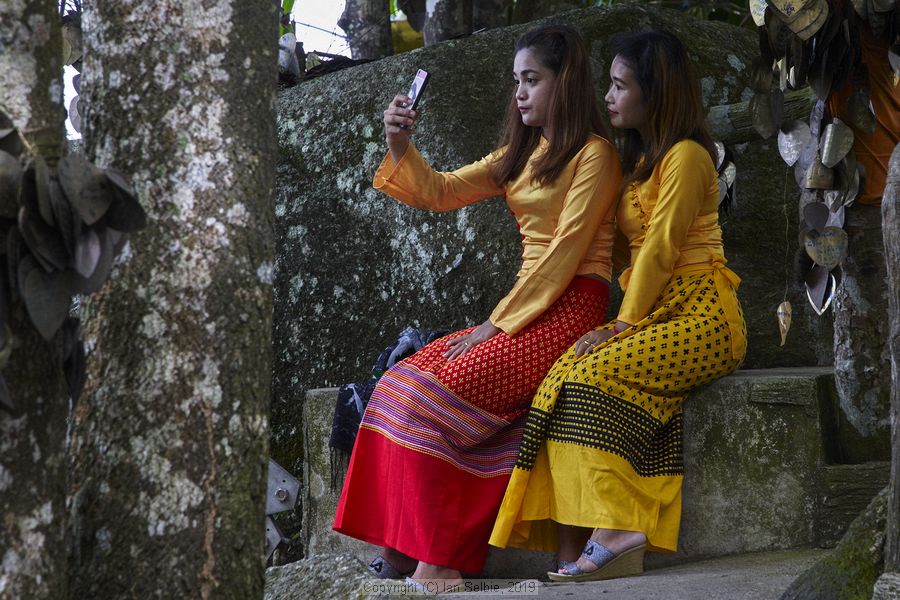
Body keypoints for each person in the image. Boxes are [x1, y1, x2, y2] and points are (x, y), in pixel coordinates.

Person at [333, 24, 622, 592]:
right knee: (399, 384)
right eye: (516, 80)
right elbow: (439, 190)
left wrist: (495, 325)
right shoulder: (523, 153)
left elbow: (564, 254)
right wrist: (399, 146)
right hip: (524, 308)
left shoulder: (597, 155)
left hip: (569, 312)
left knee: (432, 398)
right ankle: (403, 549)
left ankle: (439, 561)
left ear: (565, 82)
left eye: (532, 80)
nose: (520, 92)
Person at [488, 29, 748, 582]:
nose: (607, 97)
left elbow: (659, 246)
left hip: (704, 316)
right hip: (656, 312)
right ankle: (574, 536)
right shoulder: (640, 161)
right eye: (607, 84)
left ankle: (622, 527)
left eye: (619, 85)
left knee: (590, 377)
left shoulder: (688, 157)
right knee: (562, 378)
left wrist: (621, 325)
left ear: (654, 94)